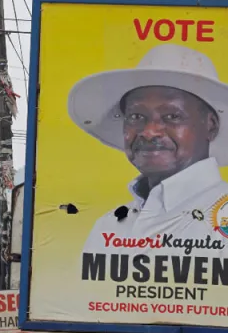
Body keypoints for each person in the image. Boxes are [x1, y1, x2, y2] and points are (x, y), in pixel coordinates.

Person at [67, 44, 228, 257]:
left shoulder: (220, 217)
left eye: (172, 116)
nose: (149, 132)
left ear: (211, 125)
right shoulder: (109, 227)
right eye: (136, 117)